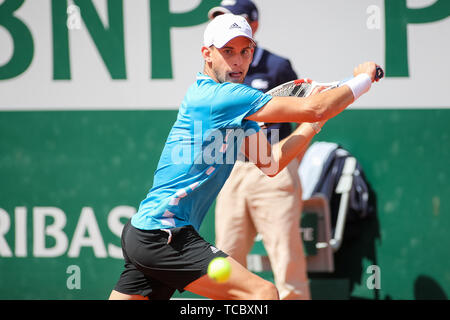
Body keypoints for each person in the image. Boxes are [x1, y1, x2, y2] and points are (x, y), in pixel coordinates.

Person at [109, 13, 381, 300]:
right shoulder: (222, 97)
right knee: (263, 294)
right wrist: (363, 79)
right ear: (207, 54)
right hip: (167, 235)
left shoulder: (237, 111)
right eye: (228, 51)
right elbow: (316, 107)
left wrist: (312, 126)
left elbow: (271, 163)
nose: (238, 61)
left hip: (144, 234)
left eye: (245, 51)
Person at [208, 0, 312, 300]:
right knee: (226, 261)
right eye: (217, 20)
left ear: (252, 25)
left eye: (230, 19)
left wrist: (287, 165)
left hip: (273, 170)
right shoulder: (215, 72)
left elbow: (302, 114)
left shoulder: (278, 66)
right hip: (231, 172)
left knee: (287, 262)